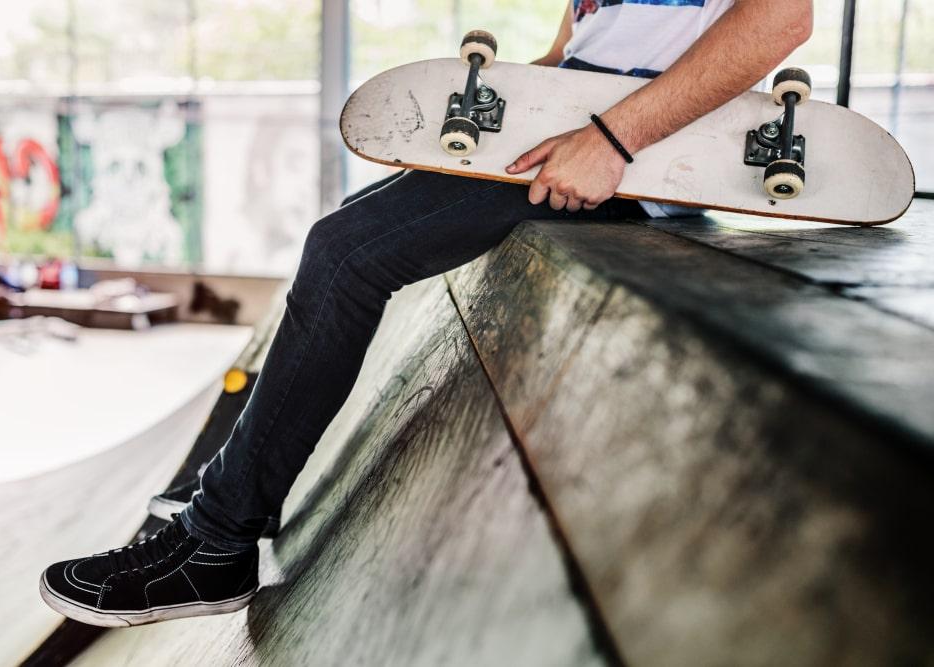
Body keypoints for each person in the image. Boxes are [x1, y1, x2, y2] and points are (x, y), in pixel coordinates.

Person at [40, 0, 813, 627]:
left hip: (638, 160)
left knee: (345, 254)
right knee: (346, 226)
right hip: (579, 132)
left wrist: (613, 140)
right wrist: (480, 125)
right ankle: (227, 491)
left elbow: (782, 18)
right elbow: (569, 54)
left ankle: (216, 542)